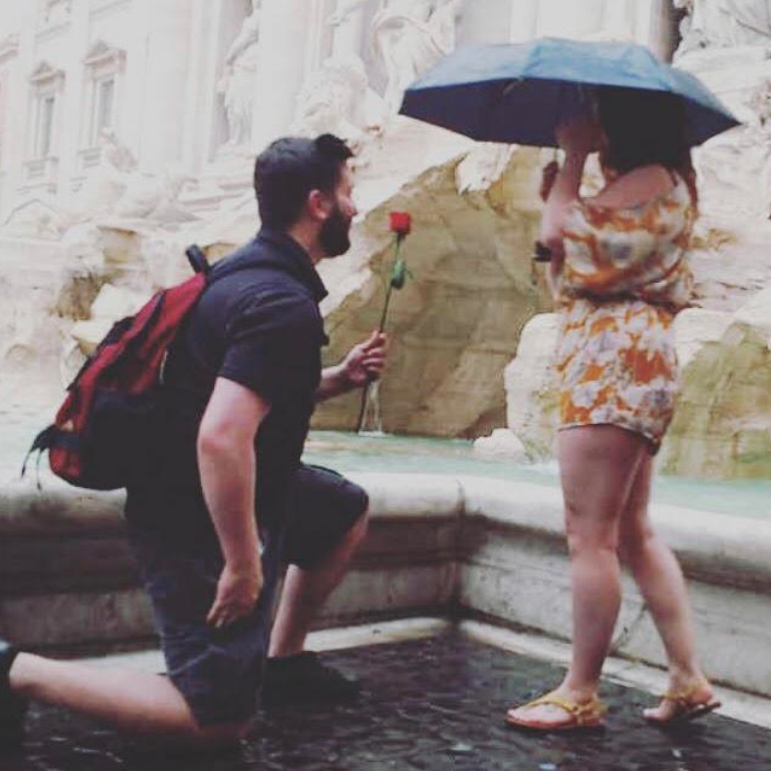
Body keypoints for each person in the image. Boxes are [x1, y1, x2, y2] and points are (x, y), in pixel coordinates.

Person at [0, 133, 387, 750]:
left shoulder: (237, 273)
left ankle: (282, 663)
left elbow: (234, 394)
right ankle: (14, 671)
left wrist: (339, 378)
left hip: (239, 481)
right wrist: (241, 561)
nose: (355, 207)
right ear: (317, 204)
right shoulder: (279, 301)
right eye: (347, 192)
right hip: (195, 513)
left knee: (342, 510)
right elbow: (221, 437)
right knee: (215, 722)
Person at [506, 88, 719, 732]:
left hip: (614, 360)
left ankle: (580, 692)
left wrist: (569, 167)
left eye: (601, 118)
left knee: (589, 535)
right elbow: (566, 265)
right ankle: (687, 676)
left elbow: (558, 238)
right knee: (631, 531)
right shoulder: (661, 181)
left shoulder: (649, 179)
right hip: (632, 356)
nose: (594, 128)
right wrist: (565, 189)